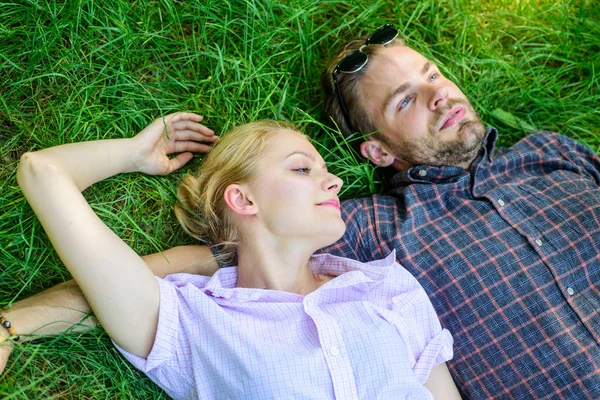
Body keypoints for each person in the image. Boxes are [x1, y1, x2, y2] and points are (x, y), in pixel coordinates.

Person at [4, 23, 599, 399]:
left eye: (432, 74)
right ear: (376, 151)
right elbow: (161, 268)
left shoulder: (390, 285)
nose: (440, 92)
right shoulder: (371, 235)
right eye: (405, 100)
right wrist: (14, 323)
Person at [9, 112, 460, 399]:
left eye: (326, 170)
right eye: (303, 168)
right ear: (243, 201)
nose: (336, 182)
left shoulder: (386, 287)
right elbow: (42, 171)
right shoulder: (191, 323)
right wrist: (134, 153)